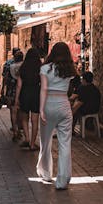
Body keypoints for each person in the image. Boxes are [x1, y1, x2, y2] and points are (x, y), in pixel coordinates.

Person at [37, 42, 76, 190]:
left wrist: (41, 109)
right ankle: (62, 180)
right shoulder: (70, 70)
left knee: (45, 142)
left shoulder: (45, 69)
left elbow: (44, 89)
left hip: (49, 105)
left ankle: (46, 173)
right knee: (65, 144)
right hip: (64, 105)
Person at [15, 47, 42, 150]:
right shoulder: (40, 68)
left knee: (24, 118)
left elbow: (19, 85)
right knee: (35, 120)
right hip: (36, 93)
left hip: (25, 93)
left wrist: (17, 98)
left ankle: (27, 138)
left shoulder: (23, 68)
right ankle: (32, 143)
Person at [7, 50, 23, 140]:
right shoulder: (24, 67)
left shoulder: (11, 67)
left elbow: (7, 80)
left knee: (13, 111)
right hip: (22, 91)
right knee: (21, 111)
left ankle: (15, 130)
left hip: (12, 91)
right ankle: (20, 130)